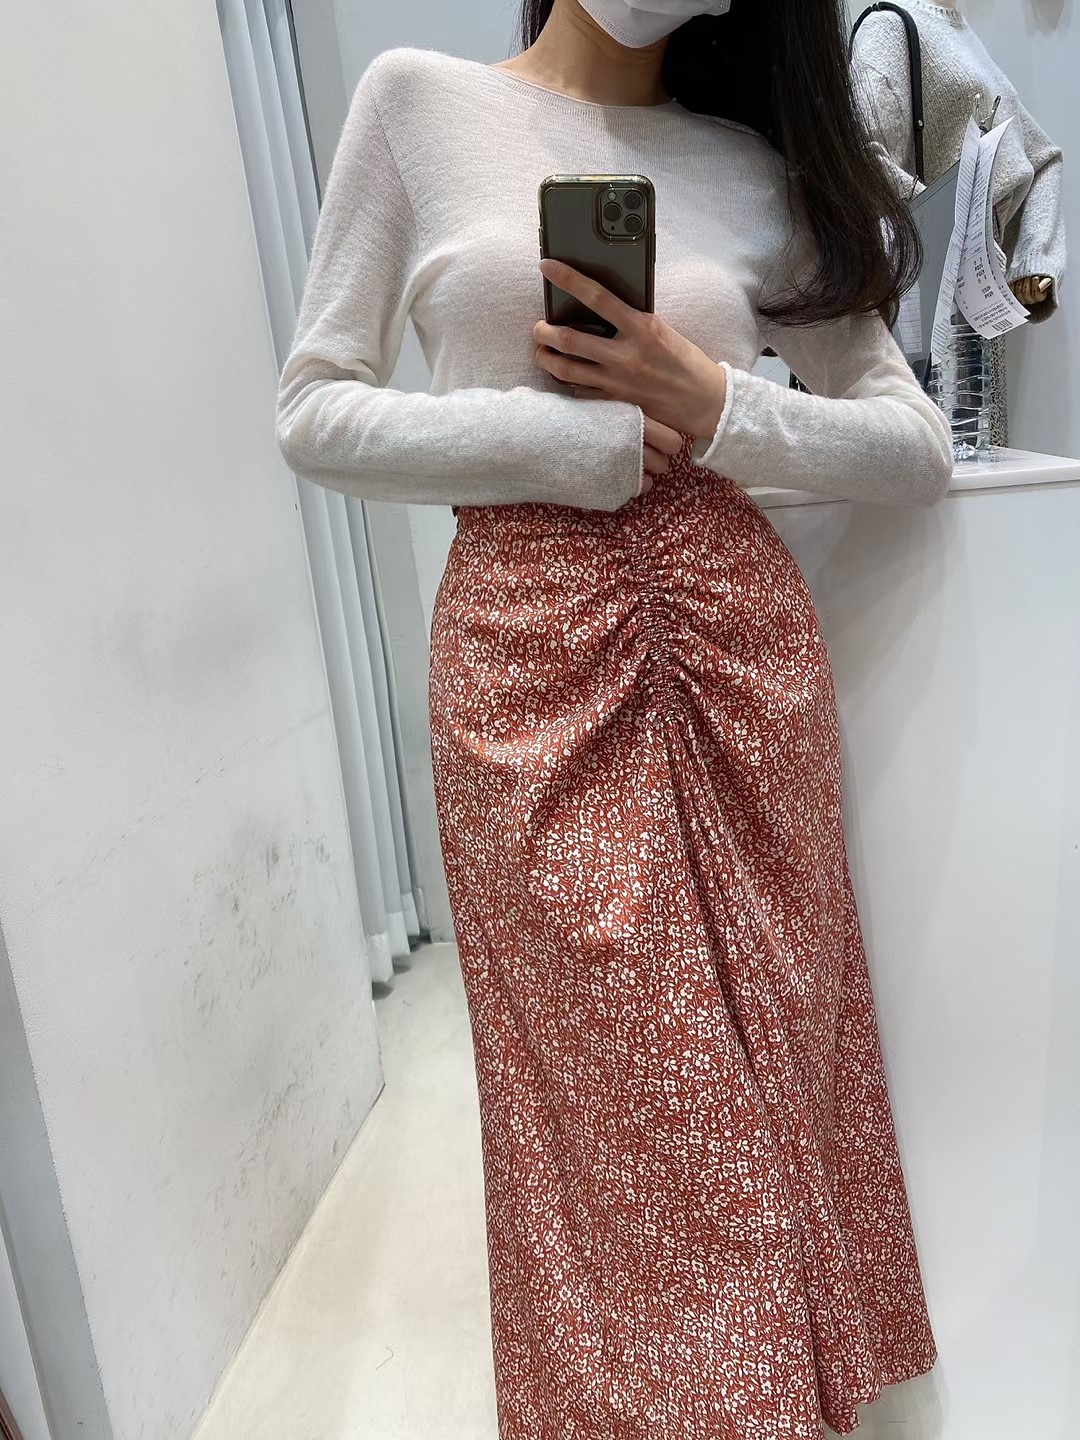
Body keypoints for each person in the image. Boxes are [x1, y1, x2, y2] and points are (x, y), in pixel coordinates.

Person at [275, 2, 953, 1436]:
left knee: (772, 1078)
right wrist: (559, 439)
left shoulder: (752, 167)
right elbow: (317, 412)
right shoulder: (417, 104)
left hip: (736, 652)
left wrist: (717, 405)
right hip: (524, 666)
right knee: (627, 1116)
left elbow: (909, 444)